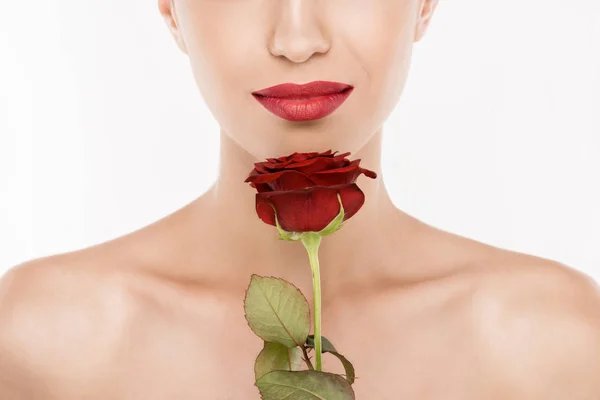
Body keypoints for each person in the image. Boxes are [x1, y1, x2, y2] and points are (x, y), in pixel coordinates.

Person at [1, 0, 599, 398]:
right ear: (170, 10)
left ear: (424, 3)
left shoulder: (555, 345)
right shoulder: (42, 341)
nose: (296, 39)